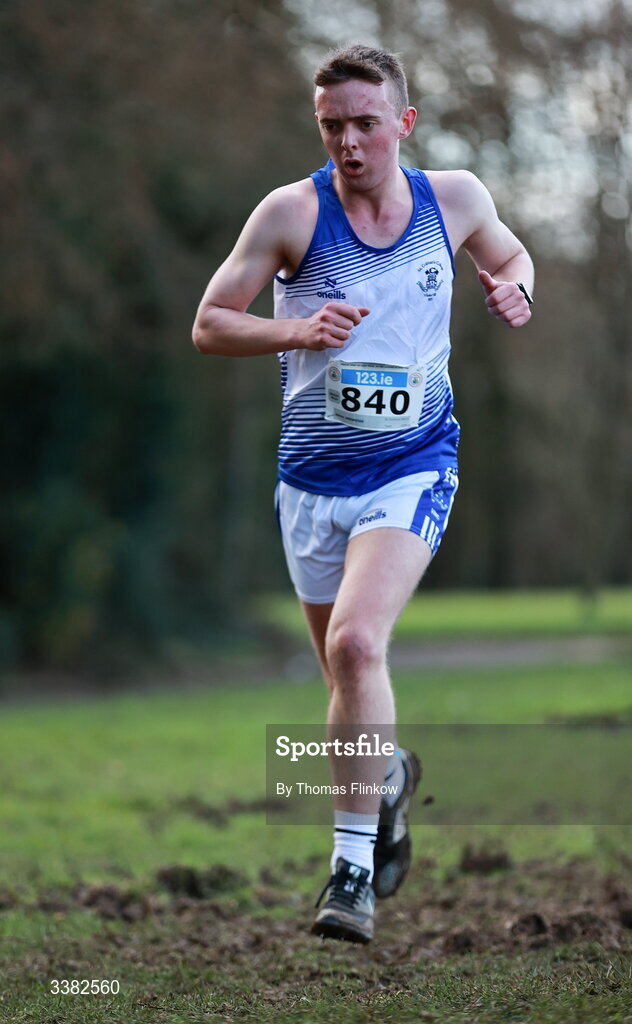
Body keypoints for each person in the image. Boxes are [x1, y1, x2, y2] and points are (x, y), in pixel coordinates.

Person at [192, 44, 533, 944]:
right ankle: (384, 781)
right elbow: (210, 323)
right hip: (310, 485)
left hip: (415, 465)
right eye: (331, 125)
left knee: (354, 641)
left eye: (365, 124)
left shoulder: (452, 199)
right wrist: (295, 326)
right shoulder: (291, 213)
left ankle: (350, 873)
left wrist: (515, 291)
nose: (347, 142)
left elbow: (512, 254)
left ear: (403, 125)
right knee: (342, 674)